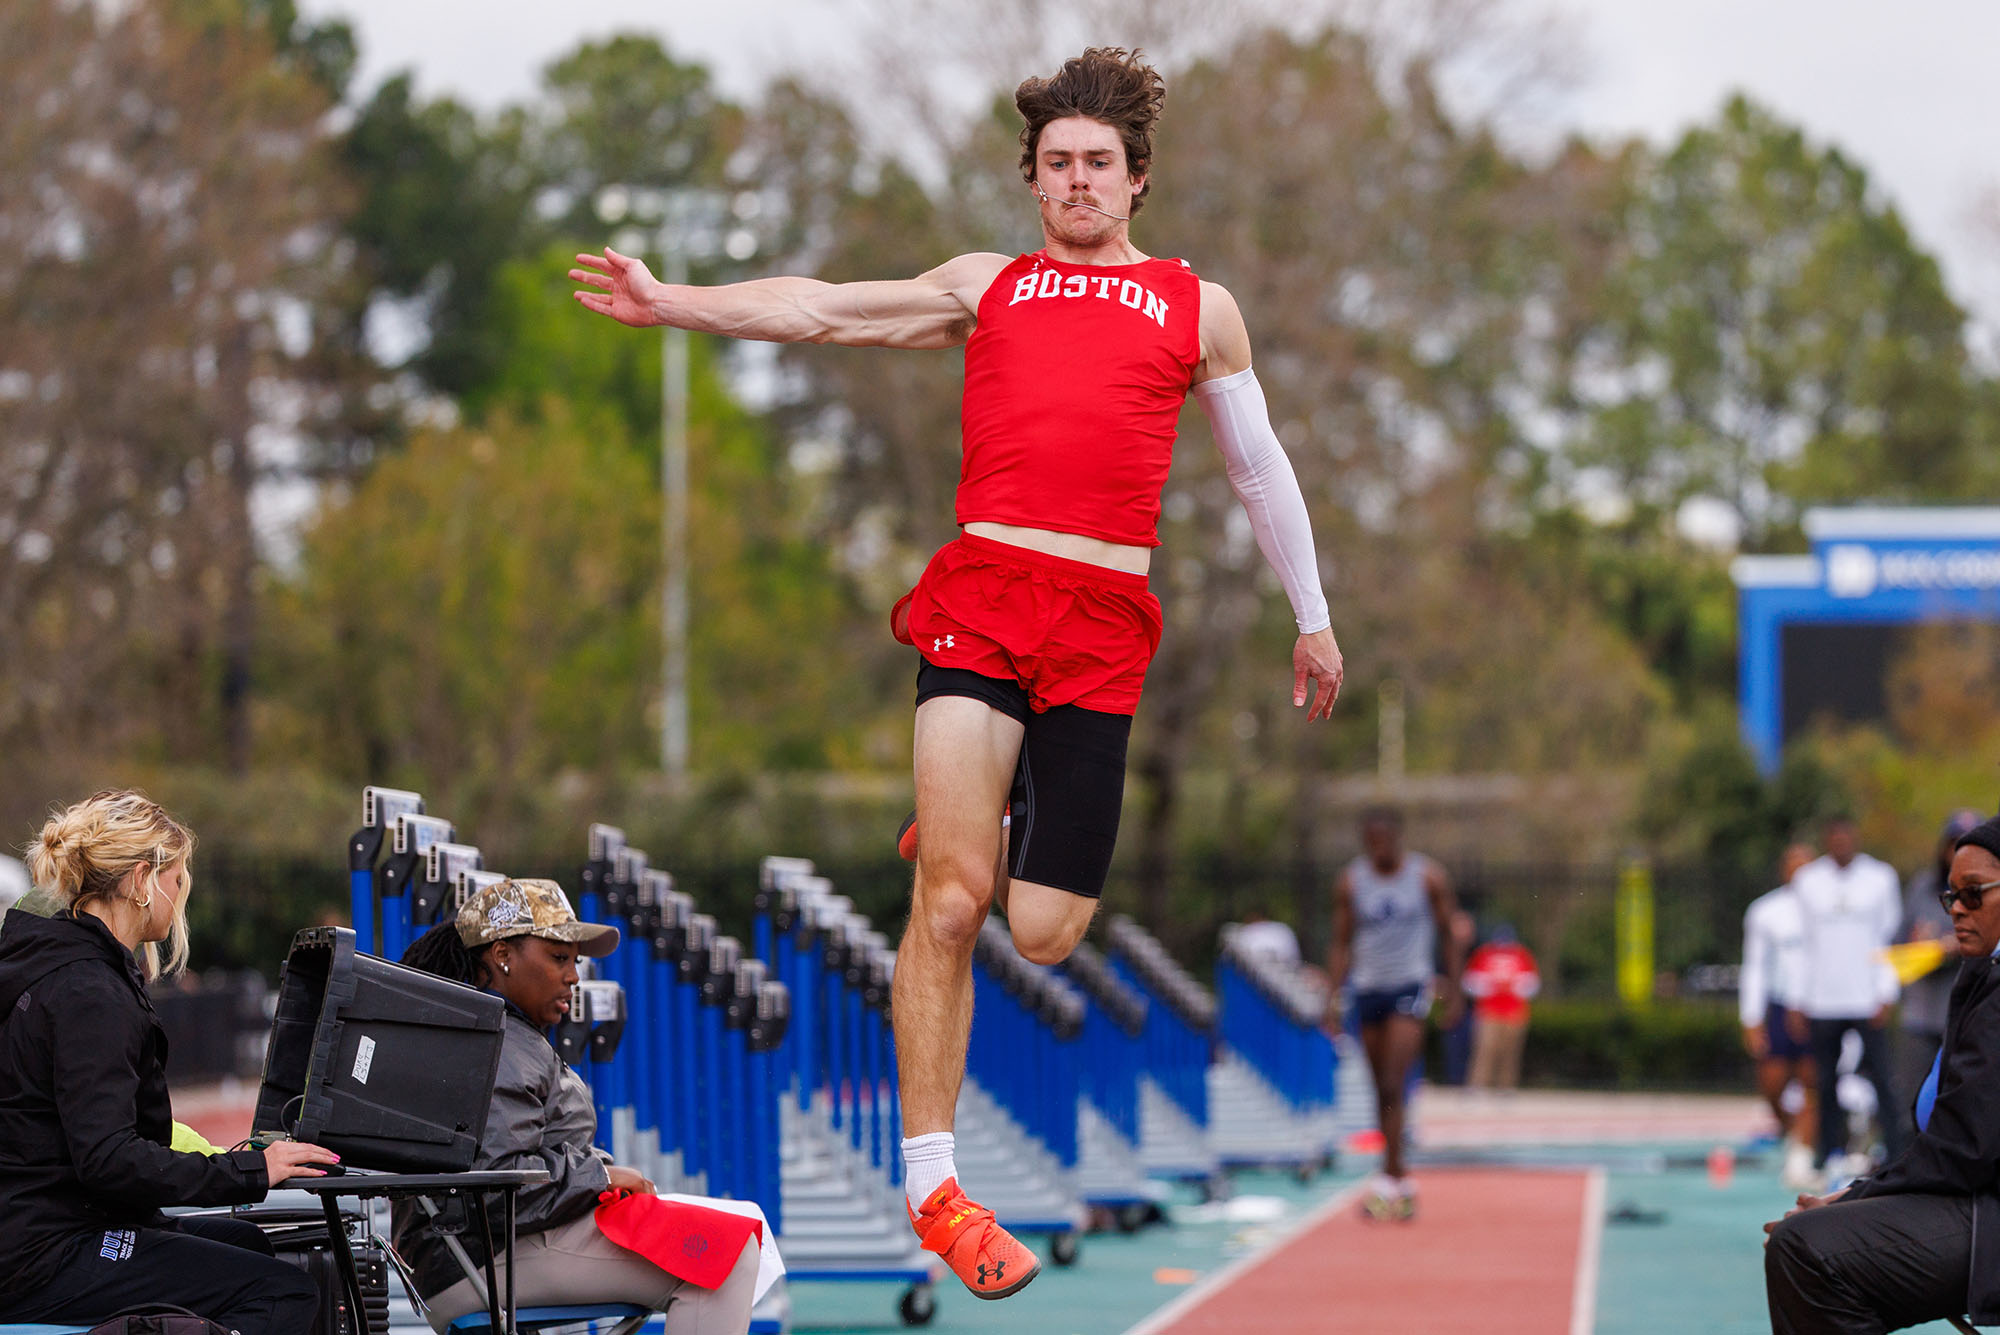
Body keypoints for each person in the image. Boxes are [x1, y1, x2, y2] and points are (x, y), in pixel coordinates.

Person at [571, 47, 1343, 1298]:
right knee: (946, 901)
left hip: (1099, 621)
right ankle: (934, 1186)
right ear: (1033, 183)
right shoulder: (988, 286)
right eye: (1056, 166)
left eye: (1098, 164)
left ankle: (1002, 796)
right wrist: (674, 302)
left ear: (1135, 181)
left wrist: (1310, 617)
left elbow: (1257, 471)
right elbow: (823, 307)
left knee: (1042, 934)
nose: (1076, 182)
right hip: (982, 599)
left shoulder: (1198, 310)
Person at [0, 790, 332, 1334]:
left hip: (43, 1228)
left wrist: (237, 1169)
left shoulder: (66, 967)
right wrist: (251, 1170)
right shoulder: (89, 992)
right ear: (139, 881)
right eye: (177, 879)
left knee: (250, 1243)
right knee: (284, 1294)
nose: (180, 897)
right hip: (42, 1253)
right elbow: (108, 1159)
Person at [394, 879, 761, 1334]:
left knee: (724, 1237)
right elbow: (498, 1184)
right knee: (722, 1257)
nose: (573, 976)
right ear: (503, 954)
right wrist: (600, 1176)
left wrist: (598, 1175)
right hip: (479, 1259)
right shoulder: (493, 1044)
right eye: (558, 957)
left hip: (483, 1251)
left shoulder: (502, 1034)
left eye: (575, 961)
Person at [1765, 813, 2000, 1334]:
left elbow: (1966, 1154)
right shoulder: (1982, 975)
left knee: (1802, 1249)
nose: (1956, 909)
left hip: (1988, 1217)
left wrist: (1857, 1194)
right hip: (1971, 1202)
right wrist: (1861, 1194)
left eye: (1974, 894)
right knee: (1812, 1242)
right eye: (1951, 896)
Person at [1327, 807, 1461, 1220]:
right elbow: (1340, 942)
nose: (1378, 848)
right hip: (1368, 988)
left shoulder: (1427, 878)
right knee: (1379, 1088)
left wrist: (1454, 990)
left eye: (1385, 840)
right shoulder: (1352, 882)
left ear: (1398, 838)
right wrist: (1332, 996)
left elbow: (1449, 932)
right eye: (1371, 841)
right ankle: (1396, 1177)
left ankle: (1391, 1174)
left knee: (1394, 1077)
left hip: (1409, 984)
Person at [1788, 815, 1908, 1180]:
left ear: (1854, 837)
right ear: (1827, 839)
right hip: (1824, 1000)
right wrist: (1798, 998)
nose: (1842, 842)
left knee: (1883, 1079)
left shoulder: (1881, 878)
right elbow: (1802, 945)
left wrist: (1886, 991)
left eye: (1847, 835)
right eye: (1834, 836)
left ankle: (1897, 1153)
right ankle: (1829, 1152)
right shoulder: (1808, 882)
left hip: (1866, 998)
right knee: (1825, 1082)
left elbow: (1892, 940)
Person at [1740, 841, 1820, 1188]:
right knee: (1772, 1083)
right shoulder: (1765, 911)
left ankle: (1801, 1157)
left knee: (1813, 1083)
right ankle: (1794, 1134)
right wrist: (1751, 1018)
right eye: (1793, 864)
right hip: (1779, 1007)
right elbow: (1754, 967)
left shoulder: (1828, 909)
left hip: (1819, 1007)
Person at [1895, 811, 1981, 1100]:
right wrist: (1920, 944)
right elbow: (1898, 940)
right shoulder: (1922, 887)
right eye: (1953, 843)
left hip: (1968, 1013)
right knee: (1916, 1100)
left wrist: (1954, 944)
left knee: (1960, 1101)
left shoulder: (1988, 889)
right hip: (1922, 1013)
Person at [1461, 924, 1539, 1093]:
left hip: (1514, 1012)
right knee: (1484, 1050)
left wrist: (1515, 986)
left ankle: (1506, 1088)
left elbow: (1532, 984)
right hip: (1488, 1011)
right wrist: (1487, 986)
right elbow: (1468, 982)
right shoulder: (1483, 954)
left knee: (1510, 1052)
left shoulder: (1521, 954)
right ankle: (1477, 1086)